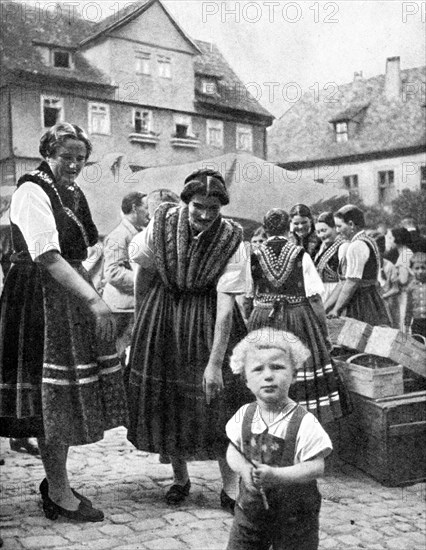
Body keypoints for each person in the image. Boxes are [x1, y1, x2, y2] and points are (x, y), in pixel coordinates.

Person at [0, 123, 128, 522]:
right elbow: (48, 256)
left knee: (63, 394)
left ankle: (57, 483)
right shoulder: (31, 191)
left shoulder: (71, 192)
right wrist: (94, 300)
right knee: (48, 396)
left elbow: (81, 250)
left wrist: (90, 287)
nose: (73, 164)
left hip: (64, 297)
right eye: (65, 157)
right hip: (36, 300)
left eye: (79, 158)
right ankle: (57, 490)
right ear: (47, 154)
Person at [127, 169, 250, 511]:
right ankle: (180, 478)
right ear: (186, 201)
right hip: (163, 315)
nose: (206, 215)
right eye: (199, 206)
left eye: (214, 207)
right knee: (169, 399)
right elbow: (144, 272)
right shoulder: (162, 222)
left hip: (207, 318)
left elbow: (226, 309)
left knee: (219, 401)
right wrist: (141, 323)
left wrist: (214, 364)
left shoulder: (232, 238)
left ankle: (231, 487)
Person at [226, 328, 332, 550]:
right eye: (257, 369)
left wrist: (277, 475)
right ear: (245, 380)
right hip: (250, 514)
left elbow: (316, 466)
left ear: (294, 374)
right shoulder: (245, 415)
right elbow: (233, 450)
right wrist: (244, 470)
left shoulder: (303, 421)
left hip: (295, 519)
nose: (268, 375)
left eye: (277, 367)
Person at [247, 208, 350, 425]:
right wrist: (322, 333)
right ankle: (300, 423)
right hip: (297, 317)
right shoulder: (299, 253)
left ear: (266, 229)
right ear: (288, 228)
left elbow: (248, 295)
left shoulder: (254, 255)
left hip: (263, 317)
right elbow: (314, 298)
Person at [102, 192, 148, 362]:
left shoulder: (136, 233)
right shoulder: (118, 235)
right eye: (146, 207)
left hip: (130, 307)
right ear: (135, 209)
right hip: (120, 310)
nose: (148, 213)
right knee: (117, 358)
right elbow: (113, 272)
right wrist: (146, 280)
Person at [327, 205, 390, 326]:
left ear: (351, 224)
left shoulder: (357, 246)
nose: (337, 231)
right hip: (369, 298)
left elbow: (351, 282)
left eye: (339, 226)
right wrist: (326, 307)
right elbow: (343, 283)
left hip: (362, 302)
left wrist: (336, 309)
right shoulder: (366, 241)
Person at [314, 212, 347, 304]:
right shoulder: (323, 247)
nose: (321, 235)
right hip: (322, 293)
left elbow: (344, 282)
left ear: (335, 228)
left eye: (324, 230)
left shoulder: (343, 247)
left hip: (335, 294)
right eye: (318, 232)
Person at [386, 227, 414, 330]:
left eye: (390, 238)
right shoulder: (406, 252)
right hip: (405, 295)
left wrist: (392, 277)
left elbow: (403, 280)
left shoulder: (404, 256)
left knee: (403, 325)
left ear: (397, 239)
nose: (388, 240)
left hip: (404, 296)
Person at [370, 232, 399, 328]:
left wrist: (383, 296)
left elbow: (396, 289)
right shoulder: (369, 267)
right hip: (373, 305)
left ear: (381, 250)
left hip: (387, 304)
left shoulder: (389, 266)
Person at [405, 252, 426, 339]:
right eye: (416, 268)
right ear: (412, 269)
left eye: (423, 268)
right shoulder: (411, 287)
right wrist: (407, 325)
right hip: (417, 324)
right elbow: (409, 308)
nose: (420, 271)